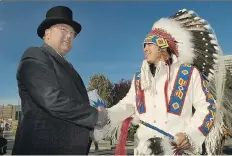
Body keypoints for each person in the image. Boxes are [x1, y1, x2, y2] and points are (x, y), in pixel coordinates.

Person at [93, 9, 225, 155]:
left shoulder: (187, 73)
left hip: (175, 149)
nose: (145, 49)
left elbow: (207, 107)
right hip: (144, 150)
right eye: (144, 45)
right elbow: (127, 105)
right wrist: (107, 115)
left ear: (163, 45)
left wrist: (190, 135)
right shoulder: (140, 78)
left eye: (149, 44)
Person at [12, 6, 108, 155]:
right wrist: (95, 116)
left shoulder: (68, 67)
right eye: (63, 29)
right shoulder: (35, 54)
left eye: (73, 33)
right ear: (47, 33)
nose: (69, 35)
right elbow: (51, 98)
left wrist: (90, 130)